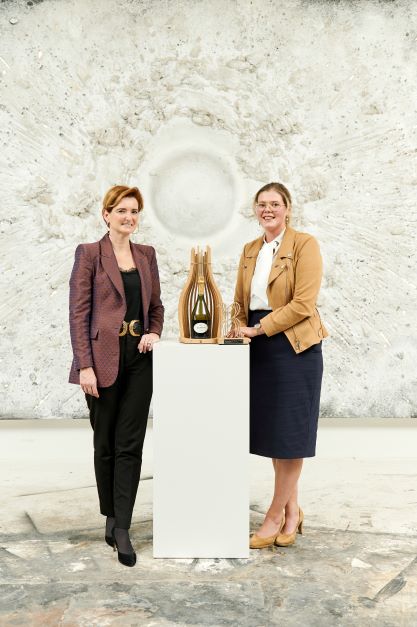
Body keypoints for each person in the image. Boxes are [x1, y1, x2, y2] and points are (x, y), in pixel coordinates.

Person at [69, 185, 164, 566]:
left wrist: (154, 332)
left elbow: (155, 306)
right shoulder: (89, 254)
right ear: (106, 214)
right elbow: (79, 313)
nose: (129, 217)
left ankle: (122, 526)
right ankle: (109, 513)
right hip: (101, 359)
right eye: (122, 210)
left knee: (130, 443)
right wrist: (85, 365)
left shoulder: (147, 255)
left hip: (140, 358)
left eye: (134, 211)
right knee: (105, 444)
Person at [231, 182, 328, 549]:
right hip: (259, 348)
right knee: (276, 436)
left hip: (294, 346)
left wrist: (259, 328)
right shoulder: (250, 249)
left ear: (287, 208)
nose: (267, 210)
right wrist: (239, 327)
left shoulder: (304, 245)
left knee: (291, 438)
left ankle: (273, 516)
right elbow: (239, 301)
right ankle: (292, 511)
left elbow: (304, 304)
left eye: (274, 203)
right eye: (261, 204)